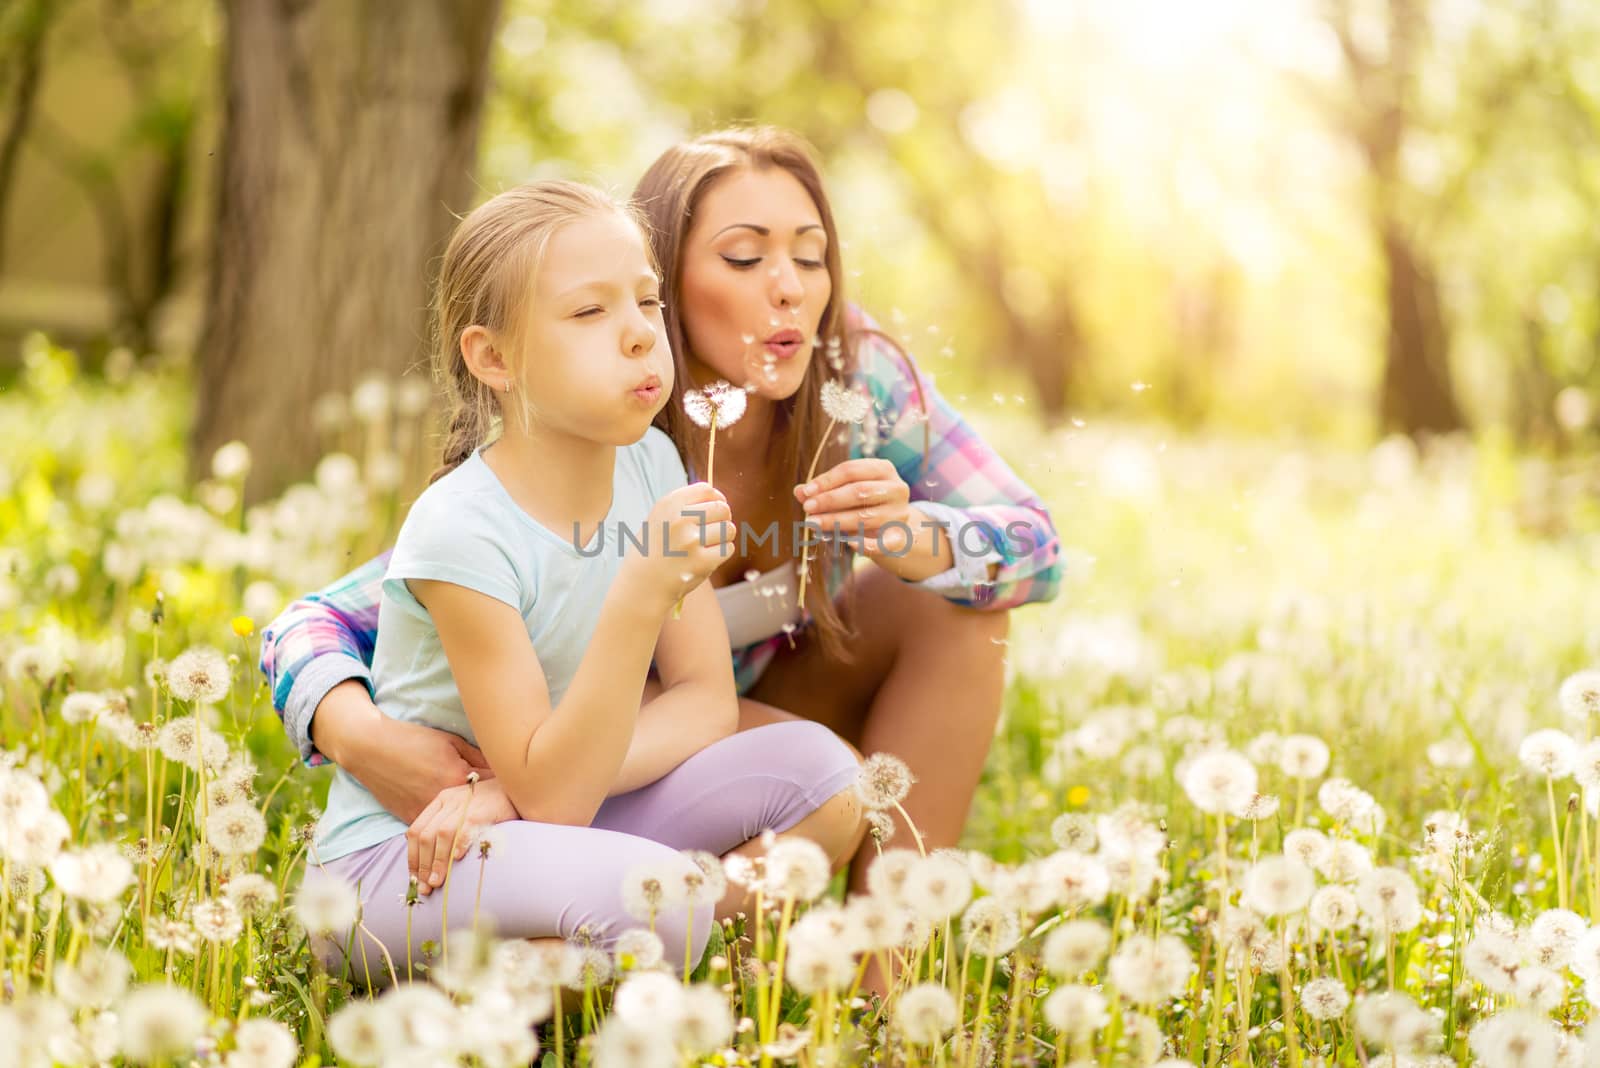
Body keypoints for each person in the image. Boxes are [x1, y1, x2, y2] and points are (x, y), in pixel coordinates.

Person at [265, 127, 1060, 911]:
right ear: (665, 281)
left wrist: (918, 540)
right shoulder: (603, 413)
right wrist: (362, 738)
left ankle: (886, 973)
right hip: (606, 730)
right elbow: (326, 618)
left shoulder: (856, 376)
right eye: (744, 258)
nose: (789, 287)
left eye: (811, 255)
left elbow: (1038, 548)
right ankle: (636, 938)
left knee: (955, 607)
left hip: (724, 712)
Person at [297, 179, 864, 986]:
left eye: (644, 301)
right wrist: (639, 595)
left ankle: (575, 965)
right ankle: (572, 967)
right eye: (590, 313)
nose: (639, 336)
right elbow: (557, 796)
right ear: (494, 358)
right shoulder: (461, 529)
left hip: (546, 808)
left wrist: (513, 791)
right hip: (405, 861)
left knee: (832, 778)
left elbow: (705, 699)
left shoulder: (652, 464)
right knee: (660, 898)